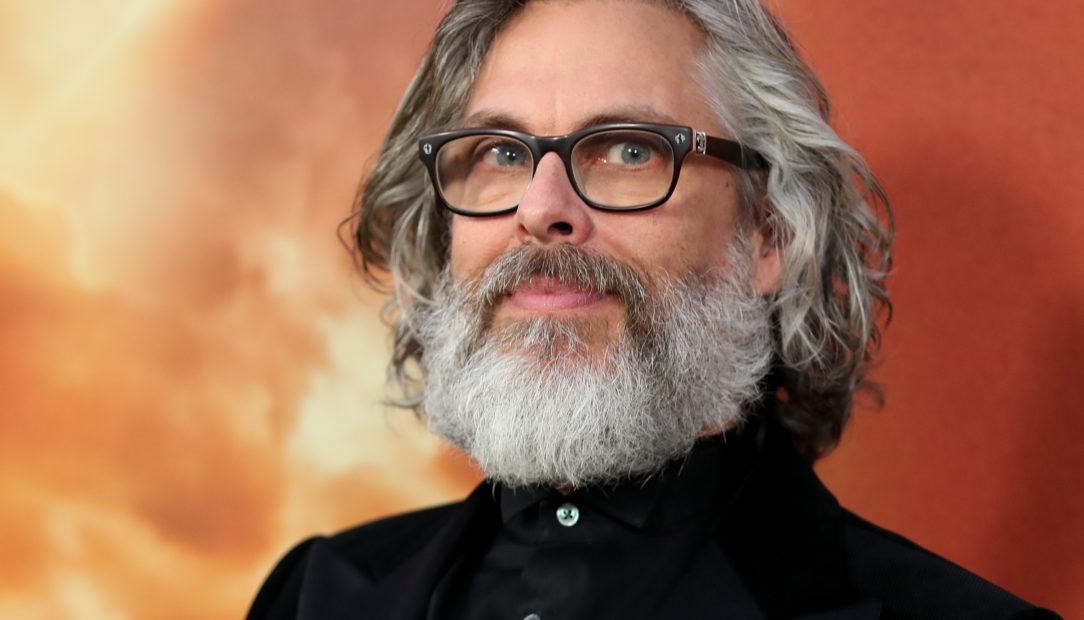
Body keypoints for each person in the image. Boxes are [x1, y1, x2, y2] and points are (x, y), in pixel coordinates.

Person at [248, 0, 1061, 618]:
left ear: (770, 233)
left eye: (630, 149)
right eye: (500, 152)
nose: (542, 207)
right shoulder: (315, 595)